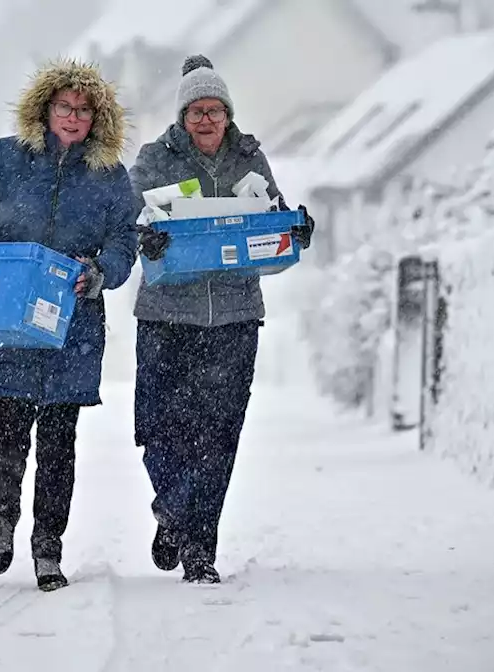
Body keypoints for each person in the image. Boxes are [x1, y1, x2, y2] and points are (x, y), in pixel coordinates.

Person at [0, 58, 138, 592]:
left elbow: (124, 242)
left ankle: (49, 547)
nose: (73, 116)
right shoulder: (6, 159)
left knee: (58, 445)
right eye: (64, 106)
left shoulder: (110, 179)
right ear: (45, 109)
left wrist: (101, 273)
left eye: (84, 110)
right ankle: (3, 512)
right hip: (6, 322)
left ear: (97, 120)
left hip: (72, 325)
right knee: (5, 435)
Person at [128, 54, 315, 584]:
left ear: (228, 114)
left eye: (215, 110)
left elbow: (275, 221)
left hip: (233, 319)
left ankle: (198, 549)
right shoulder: (156, 159)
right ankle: (172, 507)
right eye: (196, 111)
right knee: (158, 428)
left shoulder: (249, 160)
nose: (206, 120)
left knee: (218, 436)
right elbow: (128, 217)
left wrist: (296, 229)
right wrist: (148, 235)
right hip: (167, 318)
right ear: (182, 117)